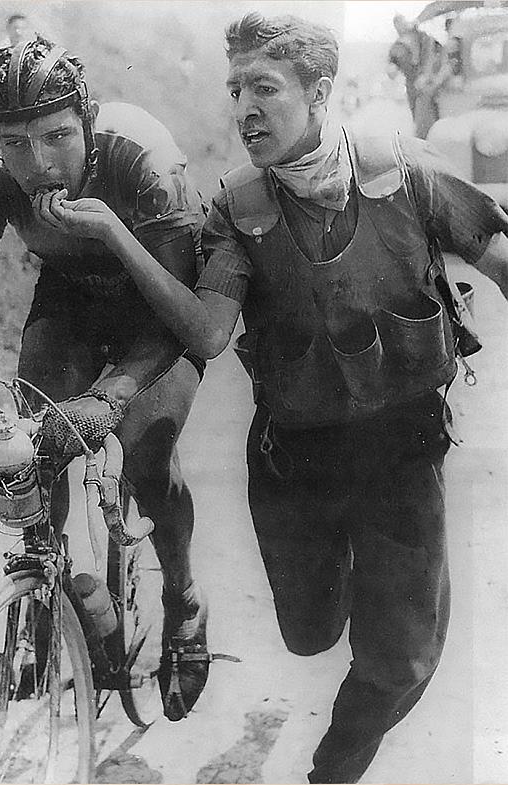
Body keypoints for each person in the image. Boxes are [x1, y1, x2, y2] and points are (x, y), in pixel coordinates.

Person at [45, 12, 508, 783]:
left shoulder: (404, 167)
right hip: (297, 462)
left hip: (401, 450)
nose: (244, 108)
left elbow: (496, 254)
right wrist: (112, 235)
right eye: (234, 89)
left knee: (402, 658)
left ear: (320, 89)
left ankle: (332, 769)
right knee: (308, 634)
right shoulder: (239, 207)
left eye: (264, 86)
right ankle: (370, 586)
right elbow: (208, 330)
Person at [0, 36, 211, 722]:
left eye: (56, 137)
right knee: (32, 448)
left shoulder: (142, 154)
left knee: (145, 455)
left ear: (86, 119)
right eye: (14, 142)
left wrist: (112, 394)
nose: (37, 163)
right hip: (72, 300)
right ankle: (46, 599)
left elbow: (186, 309)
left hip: (158, 312)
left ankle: (184, 596)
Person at [0, 14, 35, 79]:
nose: (18, 32)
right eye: (15, 28)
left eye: (23, 29)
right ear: (8, 28)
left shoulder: (31, 50)